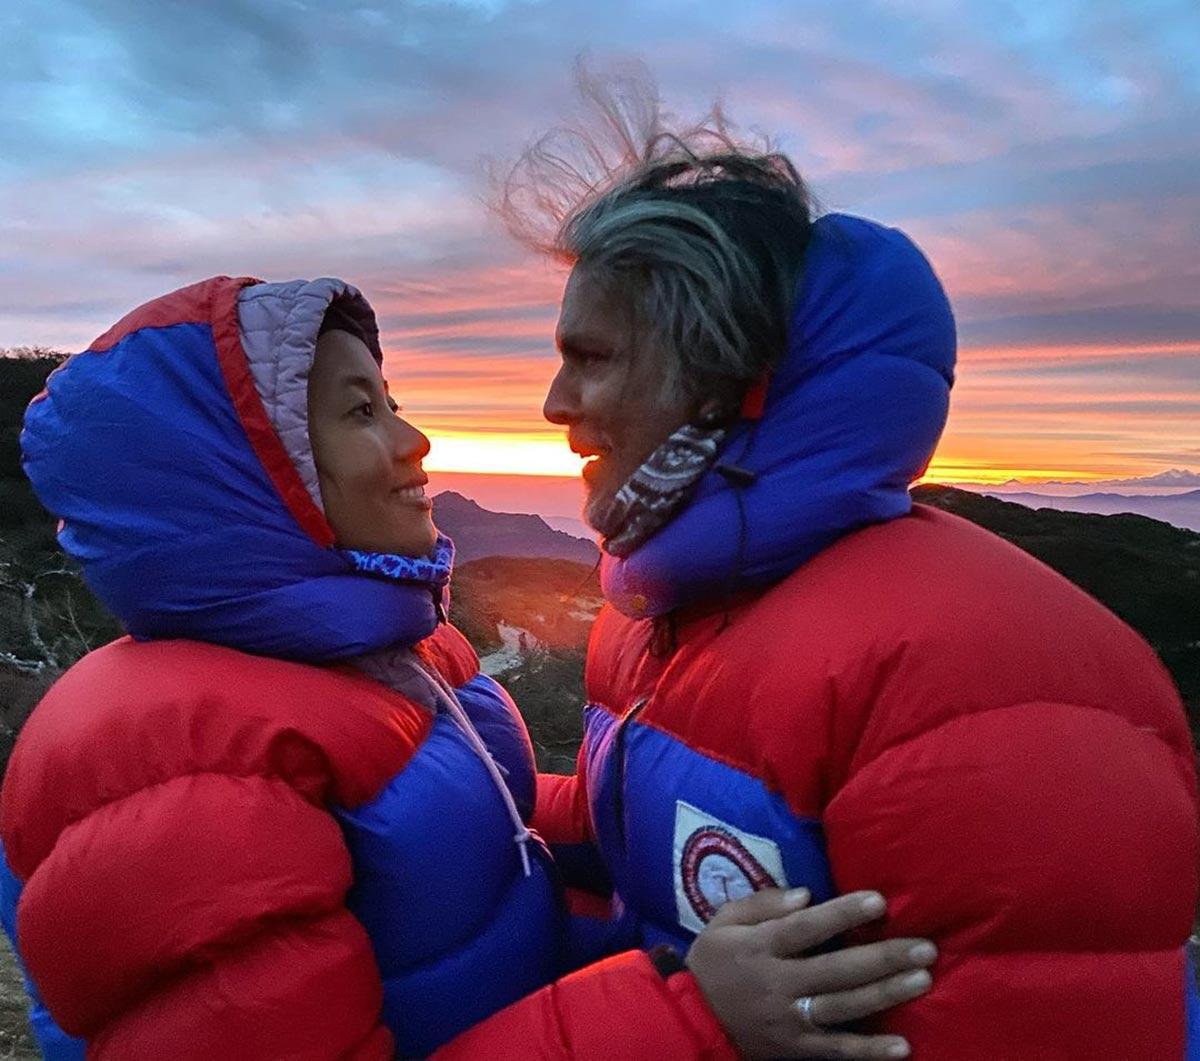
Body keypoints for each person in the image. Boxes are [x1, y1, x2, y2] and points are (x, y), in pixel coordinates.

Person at [0, 276, 937, 1059]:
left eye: (393, 400)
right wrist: (693, 1018)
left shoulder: (394, 653)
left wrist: (678, 804)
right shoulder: (169, 767)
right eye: (361, 411)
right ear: (237, 476)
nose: (415, 442)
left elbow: (487, 830)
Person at [495, 74, 1200, 1059]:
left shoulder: (980, 681)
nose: (555, 401)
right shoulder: (660, 607)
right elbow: (645, 821)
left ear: (733, 376)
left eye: (594, 356)